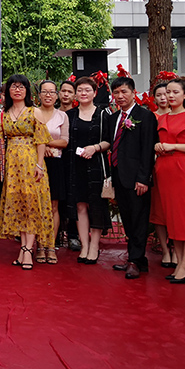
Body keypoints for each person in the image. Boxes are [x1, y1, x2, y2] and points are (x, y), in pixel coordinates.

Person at [0, 74, 53, 270]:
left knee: (31, 205)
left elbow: (41, 141)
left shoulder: (35, 112)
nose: (17, 90)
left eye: (21, 86)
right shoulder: (3, 114)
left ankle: (27, 250)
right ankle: (23, 249)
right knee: (19, 206)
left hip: (31, 163)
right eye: (13, 86)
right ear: (8, 90)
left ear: (27, 91)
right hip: (12, 166)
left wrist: (39, 165)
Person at [154, 78, 185, 284]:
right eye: (168, 92)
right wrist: (158, 146)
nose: (170, 95)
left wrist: (174, 146)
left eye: (175, 92)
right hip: (163, 169)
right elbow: (157, 142)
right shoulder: (161, 118)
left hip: (182, 169)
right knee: (171, 218)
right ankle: (179, 262)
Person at [107, 76, 158, 279]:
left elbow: (147, 149)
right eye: (116, 92)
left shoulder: (145, 116)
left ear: (133, 93)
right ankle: (137, 259)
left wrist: (143, 178)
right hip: (119, 176)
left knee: (138, 219)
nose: (120, 96)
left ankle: (135, 261)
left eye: (124, 92)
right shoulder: (113, 118)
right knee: (127, 219)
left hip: (137, 178)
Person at [65, 77, 111, 265]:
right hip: (75, 166)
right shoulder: (69, 115)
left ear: (95, 93)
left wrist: (95, 148)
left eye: (87, 90)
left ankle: (94, 246)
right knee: (80, 206)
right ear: (75, 94)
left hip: (96, 165)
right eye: (80, 90)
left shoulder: (103, 114)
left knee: (96, 205)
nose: (83, 93)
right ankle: (84, 245)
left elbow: (109, 141)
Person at [34, 80, 69, 265]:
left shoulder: (62, 115)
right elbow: (29, 138)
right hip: (36, 164)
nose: (48, 95)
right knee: (37, 206)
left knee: (53, 206)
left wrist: (44, 143)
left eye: (52, 92)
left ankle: (50, 246)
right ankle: (39, 246)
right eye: (44, 92)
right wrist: (42, 147)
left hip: (55, 164)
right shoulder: (32, 113)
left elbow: (64, 141)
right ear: (39, 95)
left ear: (57, 95)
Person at [149, 81, 176, 267]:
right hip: (157, 166)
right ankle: (165, 250)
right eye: (159, 95)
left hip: (177, 166)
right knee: (159, 210)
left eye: (166, 93)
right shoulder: (151, 117)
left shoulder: (181, 115)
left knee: (176, 210)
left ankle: (177, 249)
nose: (163, 98)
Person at [56, 79, 81, 252]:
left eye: (69, 92)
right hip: (55, 160)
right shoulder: (53, 113)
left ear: (75, 95)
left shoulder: (78, 114)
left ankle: (73, 235)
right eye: (63, 91)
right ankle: (55, 235)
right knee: (56, 198)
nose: (66, 94)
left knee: (73, 198)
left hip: (74, 160)